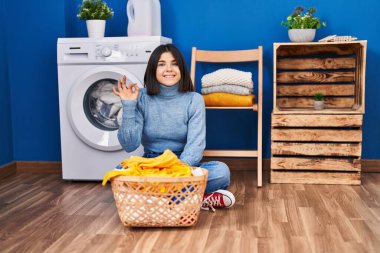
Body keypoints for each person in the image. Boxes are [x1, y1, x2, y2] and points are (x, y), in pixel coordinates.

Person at [112, 44, 235, 211]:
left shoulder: (194, 99)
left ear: (181, 69)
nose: (168, 69)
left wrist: (175, 171)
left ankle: (155, 200)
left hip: (184, 164)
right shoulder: (140, 97)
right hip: (151, 163)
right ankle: (193, 200)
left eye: (174, 63)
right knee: (119, 172)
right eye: (161, 64)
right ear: (153, 69)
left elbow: (195, 146)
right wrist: (128, 105)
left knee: (221, 171)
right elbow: (129, 145)